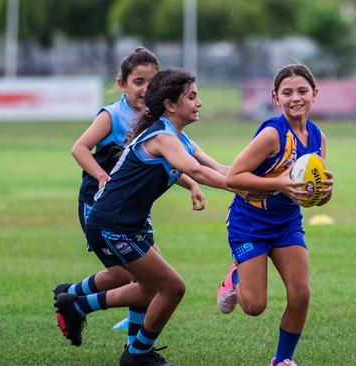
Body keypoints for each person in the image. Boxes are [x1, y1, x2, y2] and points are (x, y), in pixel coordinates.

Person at [55, 69, 231, 366]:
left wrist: (269, 179)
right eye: (192, 96)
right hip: (112, 224)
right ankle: (136, 353)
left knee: (149, 287)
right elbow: (200, 172)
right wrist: (248, 189)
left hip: (131, 224)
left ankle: (80, 306)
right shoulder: (162, 137)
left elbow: (222, 169)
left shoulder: (180, 139)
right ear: (170, 104)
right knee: (173, 288)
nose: (199, 103)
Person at [216, 64, 334, 366]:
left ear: (314, 94)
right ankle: (235, 276)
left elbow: (312, 198)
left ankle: (282, 360)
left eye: (302, 91)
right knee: (254, 306)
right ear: (275, 97)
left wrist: (325, 192)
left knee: (301, 294)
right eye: (287, 92)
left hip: (286, 223)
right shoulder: (271, 134)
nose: (296, 98)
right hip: (250, 223)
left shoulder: (318, 138)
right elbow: (233, 177)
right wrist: (278, 184)